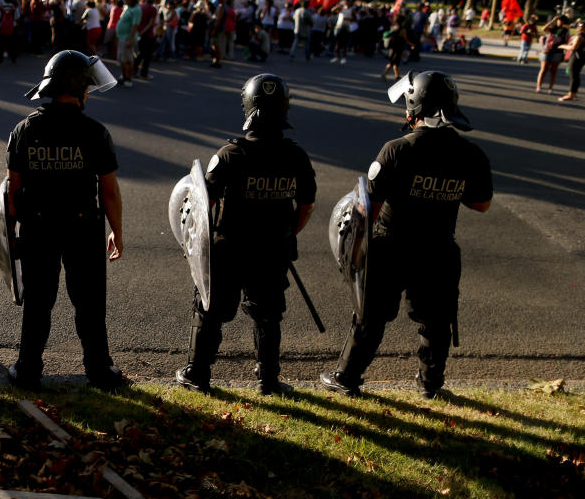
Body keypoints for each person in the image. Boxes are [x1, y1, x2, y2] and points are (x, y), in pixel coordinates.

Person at [320, 71, 493, 399]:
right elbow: (481, 203)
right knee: (436, 322)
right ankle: (430, 386)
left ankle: (346, 377)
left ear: (414, 105)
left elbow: (366, 206)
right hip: (439, 249)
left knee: (371, 316)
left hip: (391, 246)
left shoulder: (397, 149)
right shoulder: (471, 153)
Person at [176, 74, 316, 395]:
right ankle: (268, 381)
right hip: (272, 250)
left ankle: (197, 374)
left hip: (228, 250)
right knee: (268, 315)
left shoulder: (230, 155)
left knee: (210, 310)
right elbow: (306, 206)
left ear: (248, 107)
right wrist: (285, 233)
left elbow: (200, 204)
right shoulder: (296, 157)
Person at [6, 51, 126, 390]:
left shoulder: (24, 129)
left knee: (38, 303)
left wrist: (13, 233)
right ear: (80, 88)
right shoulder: (95, 132)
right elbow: (110, 192)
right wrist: (116, 232)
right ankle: (99, 370)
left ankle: (27, 370)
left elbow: (12, 190)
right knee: (89, 303)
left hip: (37, 226)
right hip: (83, 226)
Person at [536, 15, 570, 93]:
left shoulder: (566, 30)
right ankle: (539, 86)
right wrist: (552, 20)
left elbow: (567, 41)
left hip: (558, 52)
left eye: (561, 20)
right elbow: (543, 29)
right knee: (544, 69)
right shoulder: (552, 28)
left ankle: (550, 88)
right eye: (558, 20)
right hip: (547, 50)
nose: (559, 22)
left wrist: (565, 52)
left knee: (553, 71)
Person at [115, 0, 141, 86]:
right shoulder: (128, 7)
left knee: (127, 59)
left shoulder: (136, 9)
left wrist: (130, 39)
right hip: (122, 37)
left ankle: (128, 78)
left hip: (127, 37)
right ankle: (124, 76)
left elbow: (135, 25)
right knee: (122, 59)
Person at [557, 20, 584, 102]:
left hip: (576, 57)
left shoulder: (580, 36)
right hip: (582, 57)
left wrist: (562, 46)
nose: (577, 27)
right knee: (576, 75)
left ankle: (571, 94)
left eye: (579, 26)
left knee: (573, 75)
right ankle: (574, 93)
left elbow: (573, 48)